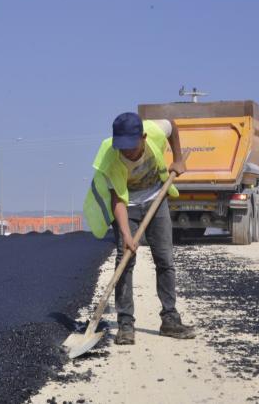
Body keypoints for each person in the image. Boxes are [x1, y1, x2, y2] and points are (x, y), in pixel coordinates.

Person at [83, 112, 195, 345]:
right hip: (128, 206)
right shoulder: (111, 157)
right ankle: (125, 324)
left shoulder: (154, 130)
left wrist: (177, 158)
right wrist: (126, 234)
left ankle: (170, 320)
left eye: (130, 147)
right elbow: (118, 200)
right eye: (121, 147)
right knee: (125, 259)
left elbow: (173, 125)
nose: (126, 152)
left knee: (165, 258)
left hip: (157, 199)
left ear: (143, 137)